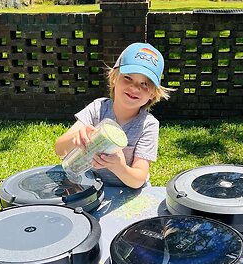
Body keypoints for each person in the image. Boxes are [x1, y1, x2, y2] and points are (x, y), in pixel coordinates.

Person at [55, 42, 173, 189]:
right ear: (114, 78)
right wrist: (76, 139)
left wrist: (120, 167)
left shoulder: (148, 125)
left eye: (145, 84)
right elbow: (59, 149)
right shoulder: (97, 109)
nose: (135, 87)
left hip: (127, 192)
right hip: (90, 186)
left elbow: (138, 180)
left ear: (153, 94)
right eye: (128, 78)